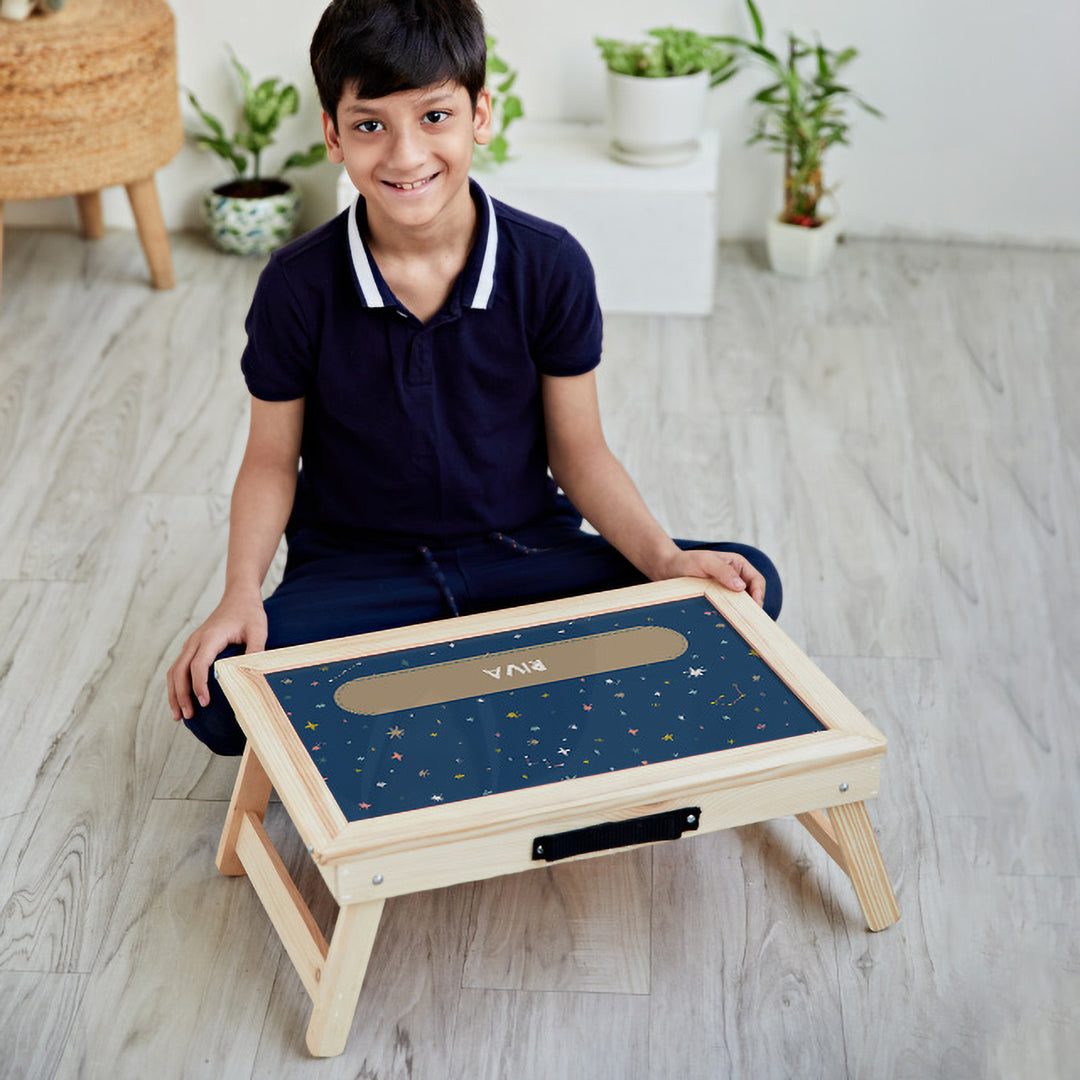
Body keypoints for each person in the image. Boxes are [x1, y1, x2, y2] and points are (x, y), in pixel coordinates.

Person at [167, 0, 782, 756]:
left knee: (742, 586)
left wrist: (663, 561)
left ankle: (435, 701)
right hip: (362, 575)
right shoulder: (296, 285)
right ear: (332, 134)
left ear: (479, 114)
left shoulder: (550, 264)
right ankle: (505, 693)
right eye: (369, 125)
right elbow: (269, 460)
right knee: (219, 692)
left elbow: (580, 452)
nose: (403, 156)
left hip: (522, 555)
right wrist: (238, 594)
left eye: (433, 117)